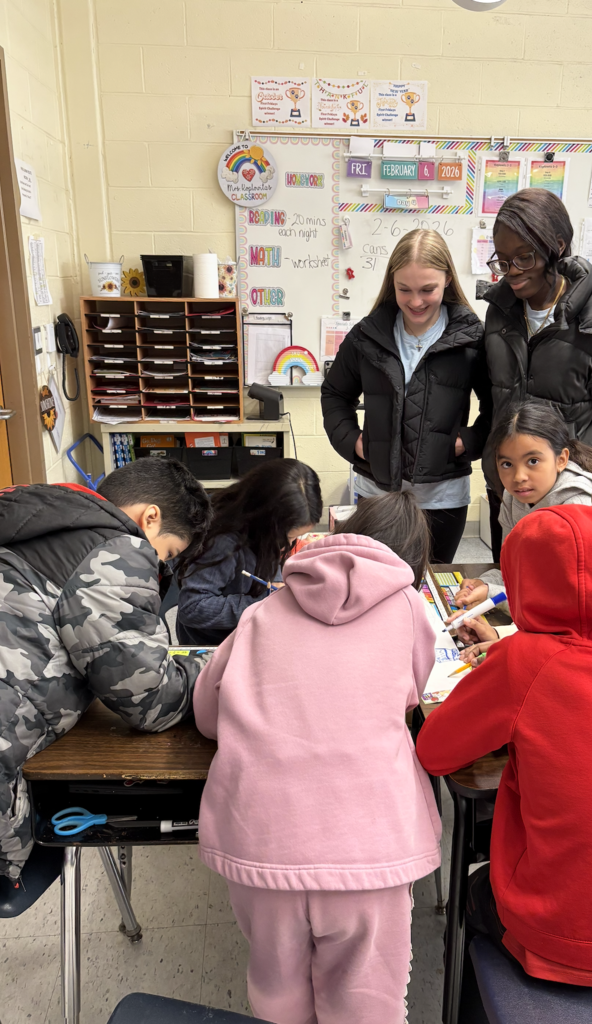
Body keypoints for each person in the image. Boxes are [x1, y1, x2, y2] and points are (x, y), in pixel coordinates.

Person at [0, 460, 211, 990]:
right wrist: (210, 671)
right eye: (167, 555)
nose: (159, 570)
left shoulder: (19, 524)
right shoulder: (117, 547)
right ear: (150, 519)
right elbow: (147, 698)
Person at [417, 505, 592, 988]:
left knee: (473, 890)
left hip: (555, 938)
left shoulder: (523, 662)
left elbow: (435, 751)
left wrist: (501, 660)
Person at [193, 491, 441, 1024]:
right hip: (370, 844)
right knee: (367, 996)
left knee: (275, 985)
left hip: (263, 838)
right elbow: (413, 693)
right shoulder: (410, 610)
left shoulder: (261, 611)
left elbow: (208, 715)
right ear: (413, 566)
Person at [482, 188, 592, 559]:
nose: (511, 273)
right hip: (511, 492)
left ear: (556, 247)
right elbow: (495, 397)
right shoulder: (500, 312)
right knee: (508, 591)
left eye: (524, 258)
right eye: (503, 261)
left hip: (576, 505)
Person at [321, 228, 492, 563]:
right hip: (376, 494)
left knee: (431, 589)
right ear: (392, 284)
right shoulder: (366, 336)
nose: (416, 301)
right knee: (374, 587)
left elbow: (498, 408)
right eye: (404, 290)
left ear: (447, 280)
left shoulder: (473, 338)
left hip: (443, 498)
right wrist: (353, 442)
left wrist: (466, 443)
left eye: (428, 289)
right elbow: (334, 394)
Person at [453, 403, 592, 638]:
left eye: (533, 461)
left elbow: (567, 604)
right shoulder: (515, 498)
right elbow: (512, 569)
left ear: (561, 459)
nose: (519, 477)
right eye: (507, 464)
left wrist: (492, 594)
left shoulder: (578, 508)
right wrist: (482, 585)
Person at [177, 458, 322, 646]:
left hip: (245, 628)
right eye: (289, 537)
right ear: (266, 520)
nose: (290, 543)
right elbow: (192, 608)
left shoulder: (262, 531)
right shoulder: (222, 543)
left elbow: (265, 561)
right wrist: (262, 603)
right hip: (215, 644)